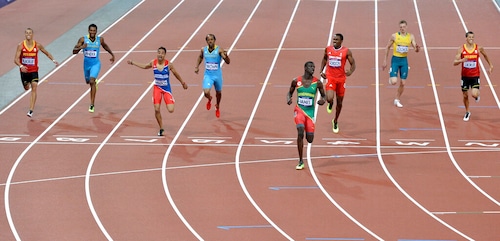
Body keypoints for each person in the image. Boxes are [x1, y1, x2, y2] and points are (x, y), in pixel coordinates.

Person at [127, 47, 188, 136]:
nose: (160, 54)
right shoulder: (153, 63)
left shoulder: (169, 65)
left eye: (162, 53)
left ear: (165, 55)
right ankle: (161, 128)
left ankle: (170, 101)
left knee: (171, 110)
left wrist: (183, 83)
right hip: (157, 88)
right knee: (156, 109)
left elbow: (176, 74)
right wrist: (133, 62)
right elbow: (144, 66)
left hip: (166, 89)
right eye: (159, 52)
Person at [287, 61, 326, 170]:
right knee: (300, 131)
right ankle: (300, 161)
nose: (313, 68)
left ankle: (308, 129)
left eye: (314, 67)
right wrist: (288, 98)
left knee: (310, 139)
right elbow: (289, 92)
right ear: (305, 68)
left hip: (310, 113)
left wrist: (323, 100)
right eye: (310, 66)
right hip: (299, 110)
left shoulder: (317, 83)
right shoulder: (296, 81)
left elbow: (324, 96)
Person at [14, 28, 59, 117]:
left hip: (34, 71)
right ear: (25, 34)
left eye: (30, 33)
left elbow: (46, 52)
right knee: (27, 88)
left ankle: (31, 110)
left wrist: (53, 60)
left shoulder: (37, 45)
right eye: (26, 33)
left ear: (32, 34)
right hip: (24, 72)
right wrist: (21, 66)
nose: (28, 34)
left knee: (34, 87)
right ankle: (26, 84)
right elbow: (15, 59)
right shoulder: (21, 45)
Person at [72, 23, 115, 113]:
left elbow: (105, 46)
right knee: (88, 82)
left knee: (91, 81)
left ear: (96, 31)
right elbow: (74, 52)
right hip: (86, 65)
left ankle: (92, 104)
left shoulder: (100, 39)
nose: (92, 32)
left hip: (96, 64)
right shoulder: (83, 39)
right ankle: (95, 82)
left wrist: (112, 54)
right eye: (91, 30)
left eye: (94, 31)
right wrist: (81, 47)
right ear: (88, 31)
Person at [453, 31, 493, 121]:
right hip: (465, 76)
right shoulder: (461, 49)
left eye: (472, 37)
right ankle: (467, 112)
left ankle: (476, 96)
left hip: (475, 75)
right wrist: (461, 60)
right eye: (469, 37)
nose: (471, 39)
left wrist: (491, 65)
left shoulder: (478, 48)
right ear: (466, 38)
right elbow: (454, 62)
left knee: (473, 94)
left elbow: (486, 55)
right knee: (465, 95)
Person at [320, 33, 356, 133]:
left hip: (341, 79)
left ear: (341, 41)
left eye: (336, 40)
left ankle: (335, 121)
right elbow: (324, 59)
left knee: (339, 103)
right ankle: (330, 103)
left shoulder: (346, 51)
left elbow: (353, 64)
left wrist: (350, 71)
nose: (334, 41)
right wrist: (321, 71)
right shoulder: (328, 49)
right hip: (330, 77)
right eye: (333, 40)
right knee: (330, 98)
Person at [382, 20, 420, 108]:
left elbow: (415, 49)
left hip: (404, 61)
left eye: (403, 27)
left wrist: (417, 48)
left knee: (403, 83)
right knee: (394, 82)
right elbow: (387, 47)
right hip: (395, 60)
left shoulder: (411, 37)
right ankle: (391, 77)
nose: (402, 29)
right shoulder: (394, 36)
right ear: (399, 28)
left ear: (406, 27)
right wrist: (385, 60)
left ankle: (397, 99)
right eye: (401, 27)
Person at [195, 34, 230, 118]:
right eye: (208, 40)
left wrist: (226, 56)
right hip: (208, 75)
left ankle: (217, 105)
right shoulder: (203, 50)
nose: (210, 41)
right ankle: (209, 98)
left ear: (214, 40)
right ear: (206, 41)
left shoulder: (219, 50)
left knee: (218, 93)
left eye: (211, 39)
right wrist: (197, 66)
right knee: (206, 92)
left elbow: (228, 62)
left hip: (217, 75)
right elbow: (200, 57)